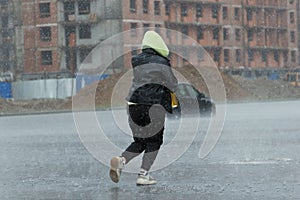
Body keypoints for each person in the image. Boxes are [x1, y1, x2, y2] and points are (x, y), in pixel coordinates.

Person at [109, 31, 178, 186]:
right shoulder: (161, 61)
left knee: (140, 140)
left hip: (133, 105)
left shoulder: (137, 61)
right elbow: (172, 83)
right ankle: (143, 174)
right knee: (154, 141)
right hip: (153, 106)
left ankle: (122, 160)